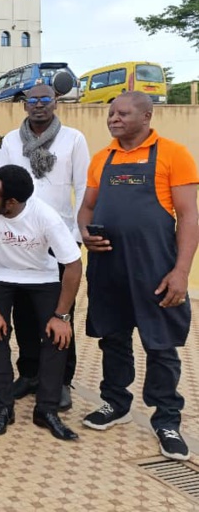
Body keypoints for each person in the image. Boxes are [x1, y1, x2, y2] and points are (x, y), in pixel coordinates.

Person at [79, 92, 198, 461]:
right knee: (113, 339)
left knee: (160, 346)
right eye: (111, 113)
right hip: (108, 268)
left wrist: (181, 272)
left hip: (155, 269)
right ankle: (115, 403)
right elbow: (86, 208)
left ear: (147, 116)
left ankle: (167, 420)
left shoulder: (173, 154)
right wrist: (85, 233)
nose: (113, 118)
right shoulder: (103, 158)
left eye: (123, 113)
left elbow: (189, 217)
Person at [0, 165, 82, 441]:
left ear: (11, 202)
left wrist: (62, 317)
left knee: (57, 337)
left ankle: (46, 410)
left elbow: (74, 265)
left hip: (41, 276)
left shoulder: (45, 217)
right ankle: (4, 408)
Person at [0, 84, 89, 411]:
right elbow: (2, 183)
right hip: (20, 239)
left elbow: (84, 186)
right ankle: (30, 373)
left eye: (45, 99)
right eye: (33, 100)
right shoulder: (11, 141)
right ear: (25, 105)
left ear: (55, 102)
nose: (39, 105)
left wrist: (76, 233)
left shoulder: (73, 139)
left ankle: (61, 380)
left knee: (58, 311)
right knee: (23, 311)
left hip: (59, 238)